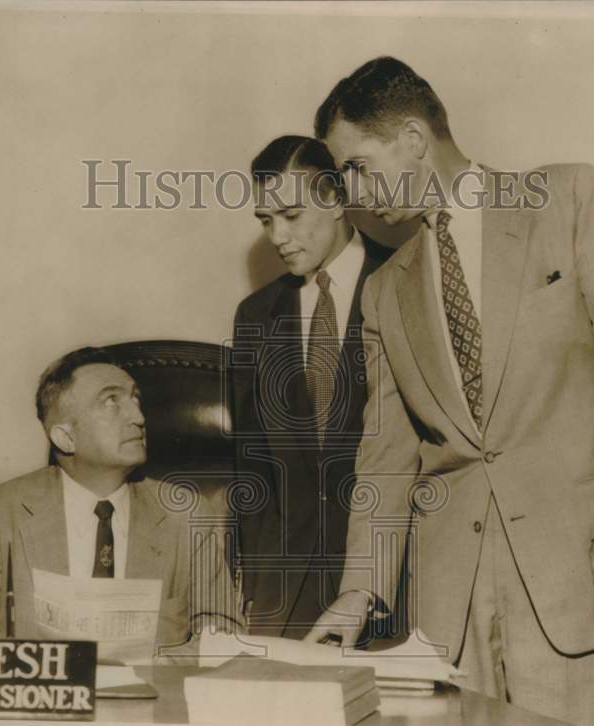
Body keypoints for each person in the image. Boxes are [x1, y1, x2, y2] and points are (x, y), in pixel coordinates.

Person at [305, 57, 594, 726]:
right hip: (452, 601)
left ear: (413, 139)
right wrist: (357, 596)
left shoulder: (568, 197)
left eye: (357, 165)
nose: (352, 191)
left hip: (579, 576)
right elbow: (385, 460)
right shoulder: (385, 292)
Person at [0, 346, 237, 652]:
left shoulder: (185, 514)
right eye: (111, 401)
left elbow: (222, 633)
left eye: (135, 399)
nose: (138, 417)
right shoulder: (1, 512)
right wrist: (32, 666)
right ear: (65, 437)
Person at [231, 135, 392, 639]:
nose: (277, 236)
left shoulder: (405, 280)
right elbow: (251, 462)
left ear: (339, 199)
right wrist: (251, 585)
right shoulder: (255, 315)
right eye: (265, 220)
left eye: (292, 215)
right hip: (287, 597)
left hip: (392, 586)